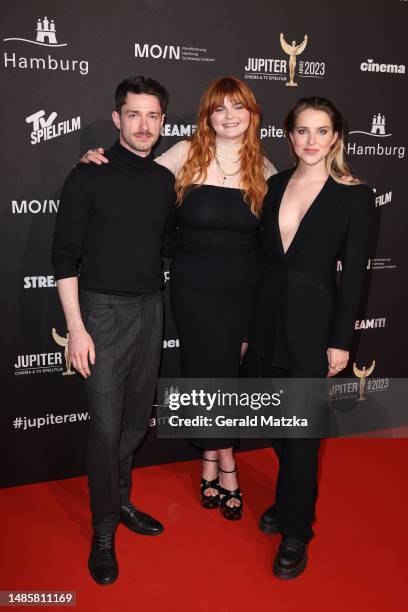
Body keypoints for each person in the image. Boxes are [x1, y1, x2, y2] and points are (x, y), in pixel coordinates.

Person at [81, 76, 277, 520]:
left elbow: (275, 240)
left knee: (229, 377)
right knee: (204, 373)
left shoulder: (262, 167)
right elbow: (133, 175)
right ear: (207, 115)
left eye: (238, 108)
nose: (229, 116)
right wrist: (96, 160)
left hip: (242, 290)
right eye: (219, 108)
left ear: (251, 114)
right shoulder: (185, 153)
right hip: (193, 289)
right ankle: (223, 462)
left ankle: (216, 459)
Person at [244, 96, 375, 579]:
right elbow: (262, 262)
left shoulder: (354, 196)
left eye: (322, 131)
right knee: (277, 428)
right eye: (303, 131)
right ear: (289, 135)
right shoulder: (273, 185)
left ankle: (297, 531)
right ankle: (289, 497)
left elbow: (356, 276)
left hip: (313, 330)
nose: (312, 140)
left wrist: (341, 342)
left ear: (336, 137)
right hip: (265, 325)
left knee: (301, 434)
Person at [51, 76, 175, 585]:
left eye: (153, 116)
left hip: (151, 310)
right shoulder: (87, 176)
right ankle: (103, 530)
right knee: (104, 429)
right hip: (100, 314)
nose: (144, 125)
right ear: (117, 117)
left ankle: (121, 500)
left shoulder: (164, 181)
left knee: (134, 423)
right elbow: (63, 257)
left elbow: (169, 244)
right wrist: (76, 328)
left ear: (162, 122)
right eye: (134, 115)